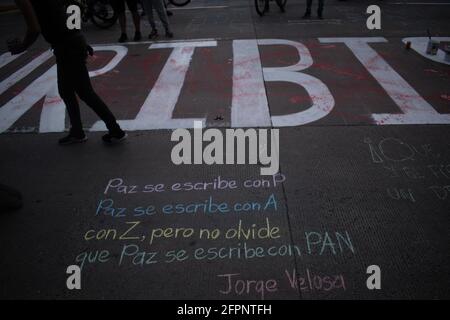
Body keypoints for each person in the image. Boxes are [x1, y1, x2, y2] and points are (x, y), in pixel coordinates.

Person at [8, 0, 127, 144]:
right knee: (66, 90)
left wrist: (22, 47)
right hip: (68, 44)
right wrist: (77, 35)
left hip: (67, 47)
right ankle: (78, 131)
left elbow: (34, 29)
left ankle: (114, 130)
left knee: (84, 92)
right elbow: (75, 6)